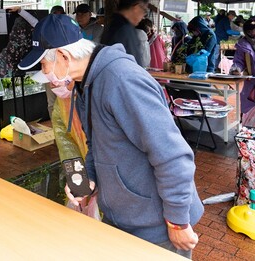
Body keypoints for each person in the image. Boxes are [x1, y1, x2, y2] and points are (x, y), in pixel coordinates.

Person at [18, 14, 203, 258]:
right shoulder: (86, 84)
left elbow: (173, 155)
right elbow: (96, 144)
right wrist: (91, 179)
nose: (46, 76)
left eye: (43, 65)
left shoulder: (122, 80)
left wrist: (177, 221)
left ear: (63, 56)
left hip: (157, 225)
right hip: (124, 218)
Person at [100, 0, 150, 66]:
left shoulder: (116, 25)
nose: (143, 16)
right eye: (144, 11)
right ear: (136, 8)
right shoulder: (123, 30)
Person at [229, 18, 255, 116]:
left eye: (254, 30)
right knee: (248, 113)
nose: (252, 33)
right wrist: (236, 69)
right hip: (251, 84)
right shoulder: (243, 45)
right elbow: (238, 61)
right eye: (249, 31)